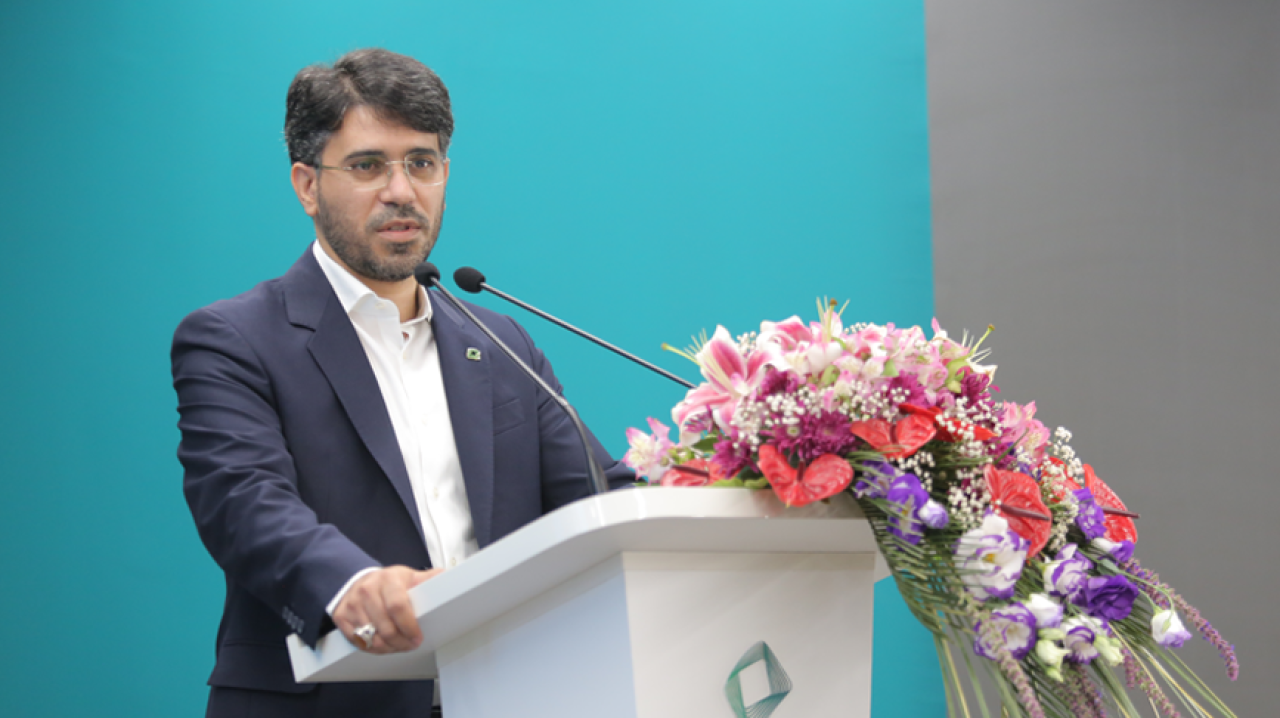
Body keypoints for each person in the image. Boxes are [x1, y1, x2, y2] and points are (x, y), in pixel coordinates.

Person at [171, 48, 632, 718]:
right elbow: (245, 502)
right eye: (368, 166)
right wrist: (351, 583)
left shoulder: (500, 340)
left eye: (421, 163)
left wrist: (745, 473)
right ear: (307, 185)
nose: (401, 191)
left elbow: (599, 499)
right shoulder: (235, 339)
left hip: (504, 695)